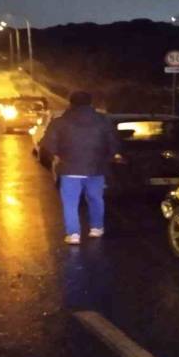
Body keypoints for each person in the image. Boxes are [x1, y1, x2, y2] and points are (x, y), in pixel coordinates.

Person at [40, 91, 121, 245]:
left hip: (69, 169)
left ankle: (73, 234)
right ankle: (96, 228)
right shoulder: (103, 121)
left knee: (70, 202)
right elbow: (114, 144)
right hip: (96, 169)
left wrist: (59, 155)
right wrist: (106, 158)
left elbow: (48, 145)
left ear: (71, 103)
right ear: (91, 103)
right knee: (95, 198)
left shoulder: (59, 122)